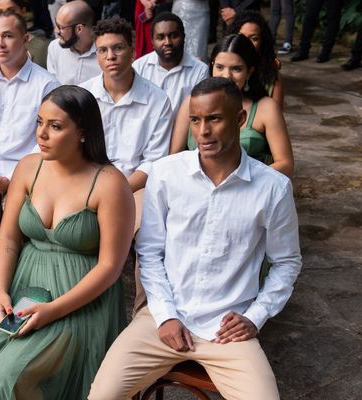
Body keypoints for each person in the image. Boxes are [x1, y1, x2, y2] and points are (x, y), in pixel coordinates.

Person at [89, 77, 302, 400]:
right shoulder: (166, 173)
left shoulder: (272, 188)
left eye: (214, 119)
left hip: (228, 330)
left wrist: (255, 316)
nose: (203, 131)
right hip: (162, 318)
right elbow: (149, 252)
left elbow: (287, 262)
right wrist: (166, 315)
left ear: (240, 120)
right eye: (195, 120)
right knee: (102, 395)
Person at [0, 84, 134, 399]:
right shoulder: (27, 167)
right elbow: (8, 238)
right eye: (39, 122)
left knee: (9, 374)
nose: (42, 134)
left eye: (56, 126)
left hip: (79, 295)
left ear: (82, 132)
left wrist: (53, 310)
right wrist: (0, 292)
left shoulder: (109, 183)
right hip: (22, 281)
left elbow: (110, 267)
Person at [80, 16, 172, 232]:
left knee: (147, 230)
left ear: (133, 52)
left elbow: (153, 162)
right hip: (85, 180)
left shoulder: (158, 100)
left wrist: (116, 190)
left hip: (135, 185)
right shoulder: (84, 95)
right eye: (103, 51)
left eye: (118, 48)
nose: (110, 56)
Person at [170, 34, 294, 178]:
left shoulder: (266, 108)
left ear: (250, 71)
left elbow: (285, 164)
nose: (226, 75)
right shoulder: (192, 102)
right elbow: (174, 156)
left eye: (236, 69)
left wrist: (240, 180)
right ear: (212, 67)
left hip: (249, 189)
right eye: (220, 67)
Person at [0, 11, 60, 193]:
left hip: (28, 175)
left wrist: (13, 180)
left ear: (25, 39)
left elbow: (48, 142)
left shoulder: (47, 84)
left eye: (8, 36)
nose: (0, 44)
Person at [132, 12, 207, 116]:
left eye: (174, 36)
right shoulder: (139, 67)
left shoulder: (200, 70)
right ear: (152, 42)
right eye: (160, 37)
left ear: (183, 37)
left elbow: (199, 112)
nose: (167, 42)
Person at [227, 10, 284, 105]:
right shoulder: (221, 68)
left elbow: (276, 116)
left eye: (254, 38)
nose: (247, 42)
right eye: (241, 36)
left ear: (262, 42)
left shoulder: (271, 77)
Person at [47, 0, 100, 85]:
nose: (56, 31)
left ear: (79, 29)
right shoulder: (54, 48)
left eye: (60, 27)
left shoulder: (105, 53)